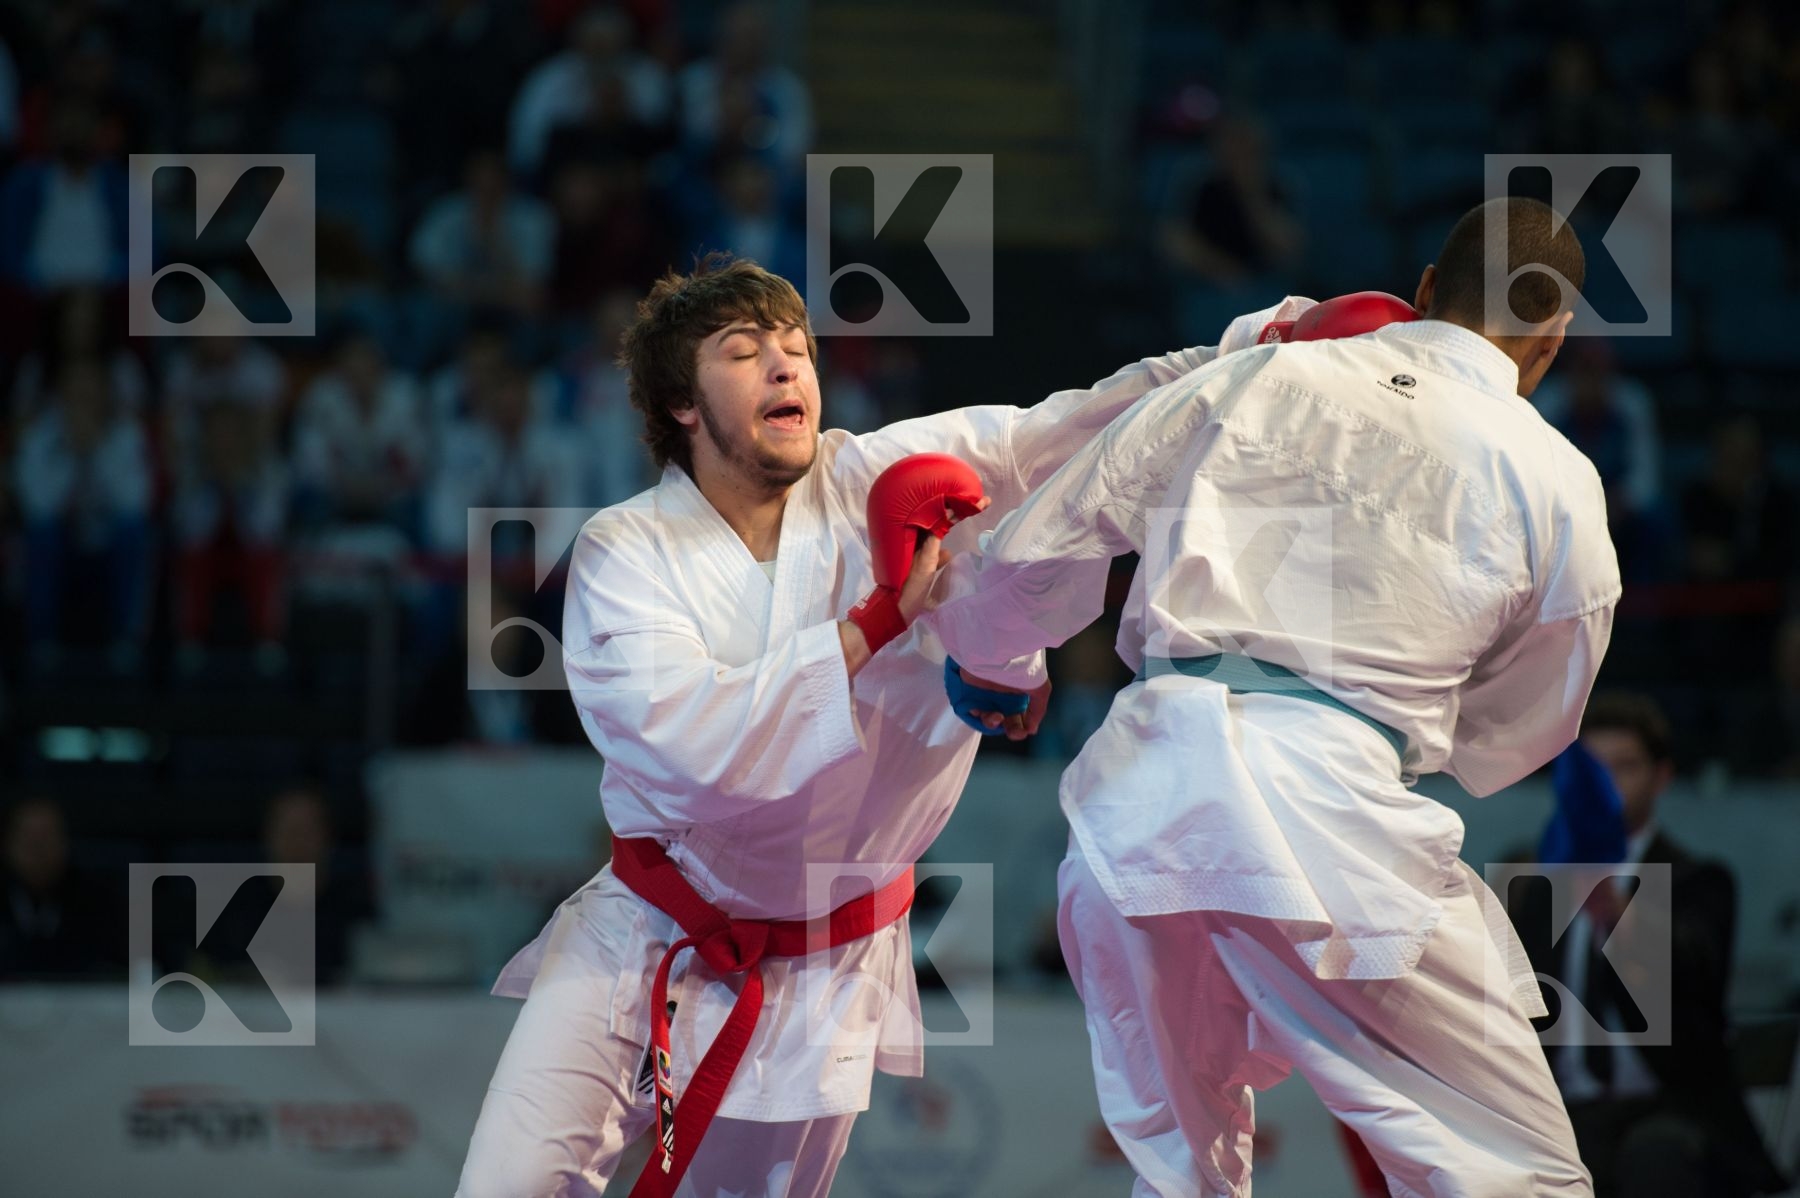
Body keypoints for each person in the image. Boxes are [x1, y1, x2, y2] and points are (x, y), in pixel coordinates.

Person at [454, 254, 1290, 1197]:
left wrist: (1256, 347)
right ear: (683, 405)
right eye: (745, 353)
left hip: (827, 969)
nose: (786, 368)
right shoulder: (626, 551)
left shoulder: (873, 480)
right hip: (648, 928)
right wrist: (874, 626)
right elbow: (696, 754)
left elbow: (1058, 432)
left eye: (797, 348)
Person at [928, 197, 1622, 1196]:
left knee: (1183, 1172)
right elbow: (1532, 721)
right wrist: (1409, 730)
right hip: (1333, 819)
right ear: (1552, 338)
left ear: (1423, 292)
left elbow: (1047, 532)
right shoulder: (1553, 473)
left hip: (1139, 801)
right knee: (1521, 1171)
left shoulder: (1264, 368)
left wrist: (997, 661)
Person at [1510, 694, 1789, 1198]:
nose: (1605, 789)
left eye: (1624, 768)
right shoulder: (1535, 885)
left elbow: (1694, 978)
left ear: (1660, 777)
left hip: (1669, 1107)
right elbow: (1518, 1010)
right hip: (1564, 1111)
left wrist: (1618, 914)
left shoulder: (1698, 880)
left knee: (1653, 1156)